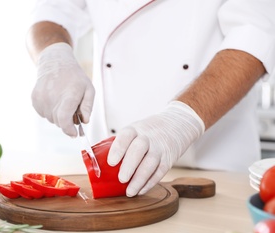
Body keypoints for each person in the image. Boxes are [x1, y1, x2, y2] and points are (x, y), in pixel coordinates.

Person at [25, 0, 275, 197]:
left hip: (216, 172)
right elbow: (52, 9)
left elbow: (256, 31)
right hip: (115, 171)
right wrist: (52, 56)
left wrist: (182, 120)